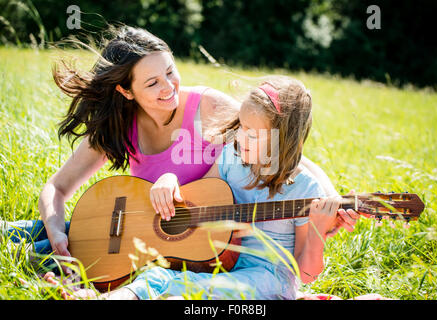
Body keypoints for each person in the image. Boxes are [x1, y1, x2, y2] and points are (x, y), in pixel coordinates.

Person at [1, 26, 357, 298]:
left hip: (195, 245)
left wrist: (329, 204)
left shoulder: (211, 109)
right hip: (137, 227)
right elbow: (57, 187)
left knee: (85, 261)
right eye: (152, 82)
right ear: (126, 91)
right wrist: (55, 229)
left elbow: (285, 150)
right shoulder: (120, 126)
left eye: (170, 71)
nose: (168, 87)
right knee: (37, 235)